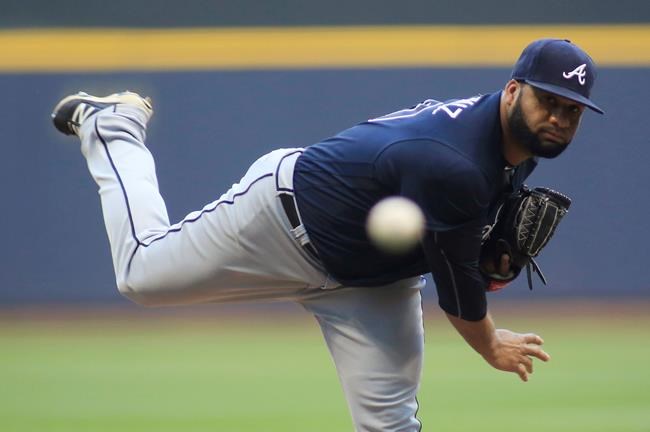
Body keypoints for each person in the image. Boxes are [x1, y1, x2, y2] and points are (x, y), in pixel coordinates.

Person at [51, 38, 602, 431]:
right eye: (546, 100)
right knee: (141, 276)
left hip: (372, 282)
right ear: (512, 91)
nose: (557, 117)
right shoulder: (455, 164)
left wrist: (489, 256)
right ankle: (113, 129)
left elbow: (460, 249)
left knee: (391, 425)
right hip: (282, 223)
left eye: (571, 110)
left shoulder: (517, 147)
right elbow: (458, 289)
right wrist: (490, 342)